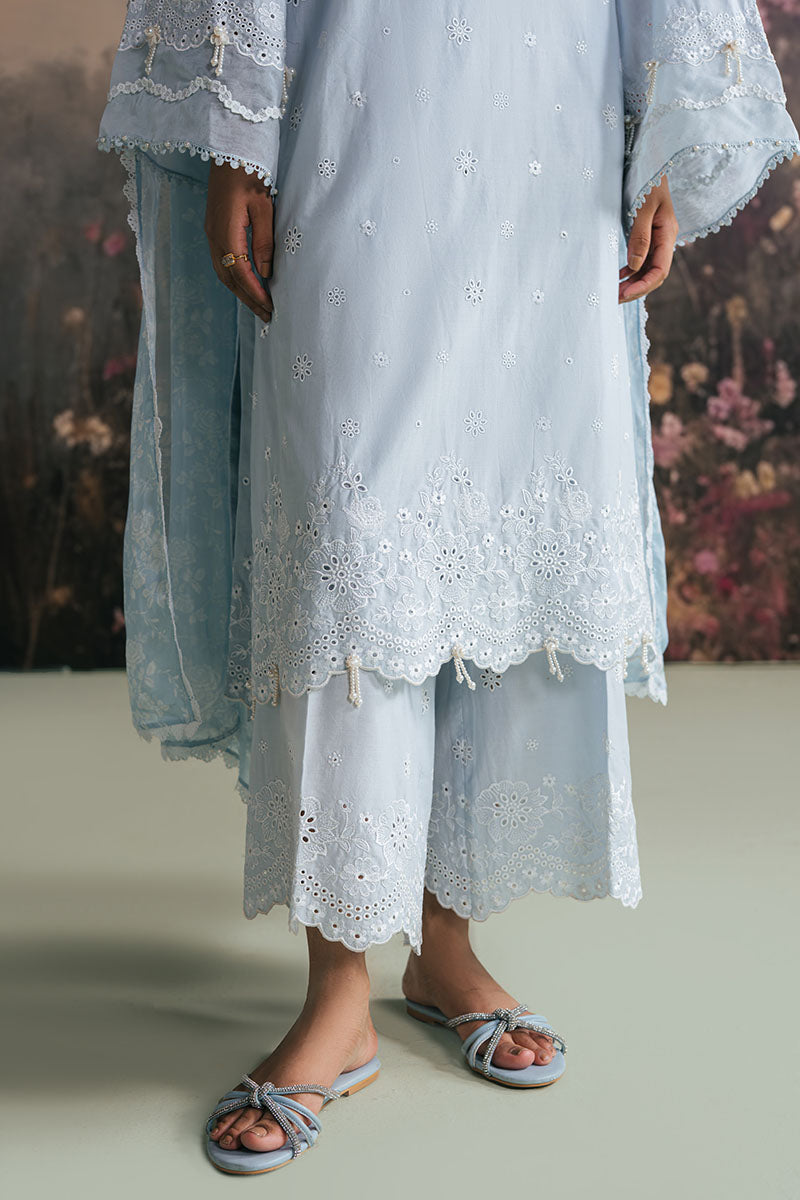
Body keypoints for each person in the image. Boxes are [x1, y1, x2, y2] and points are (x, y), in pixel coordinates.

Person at [98, 0, 799, 1175]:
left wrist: (657, 129)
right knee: (351, 536)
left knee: (499, 528)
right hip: (352, 99)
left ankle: (442, 946)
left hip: (553, 113)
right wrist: (237, 134)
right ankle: (338, 990)